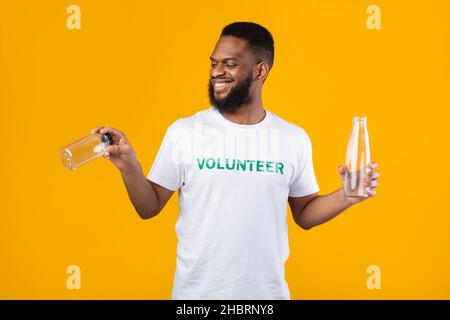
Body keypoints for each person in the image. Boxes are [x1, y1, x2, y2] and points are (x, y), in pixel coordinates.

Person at [90, 22, 380, 300]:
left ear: (260, 70)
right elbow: (148, 207)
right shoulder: (185, 132)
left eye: (229, 64)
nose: (217, 72)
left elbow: (304, 214)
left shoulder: (292, 138)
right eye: (214, 63)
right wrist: (129, 165)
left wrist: (346, 196)